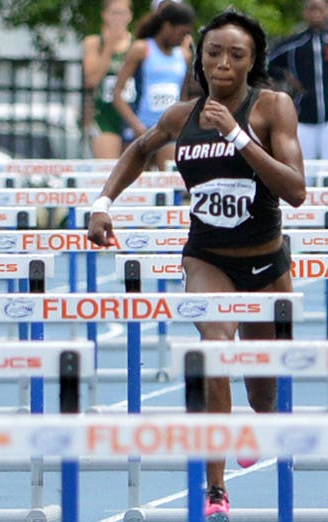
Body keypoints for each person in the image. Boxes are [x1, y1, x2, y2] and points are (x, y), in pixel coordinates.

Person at [88, 8, 306, 520]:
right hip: (207, 258)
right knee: (214, 353)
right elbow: (139, 151)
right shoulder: (179, 117)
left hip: (266, 261)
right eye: (214, 53)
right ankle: (215, 489)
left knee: (263, 391)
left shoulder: (272, 107)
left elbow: (295, 191)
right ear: (200, 58)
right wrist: (102, 204)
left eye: (236, 55)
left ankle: (254, 425)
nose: (223, 64)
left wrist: (234, 135)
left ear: (252, 63)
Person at [113, 1, 195, 169]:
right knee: (133, 184)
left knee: (171, 179)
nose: (183, 39)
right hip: (141, 127)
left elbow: (183, 97)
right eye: (181, 33)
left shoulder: (183, 56)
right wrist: (137, 127)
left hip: (169, 129)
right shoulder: (142, 49)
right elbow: (118, 94)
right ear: (168, 26)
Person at [268, 0, 328, 160]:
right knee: (306, 167)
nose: (316, 13)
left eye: (320, 8)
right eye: (311, 8)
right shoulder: (293, 45)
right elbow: (267, 64)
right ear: (305, 13)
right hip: (304, 118)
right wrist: (285, 77)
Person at [83, 0, 136, 159]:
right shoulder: (94, 43)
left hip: (131, 114)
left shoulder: (137, 44)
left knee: (133, 171)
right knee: (108, 170)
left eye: (122, 13)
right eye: (114, 13)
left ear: (130, 16)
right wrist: (109, 47)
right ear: (105, 15)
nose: (118, 18)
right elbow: (92, 80)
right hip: (105, 114)